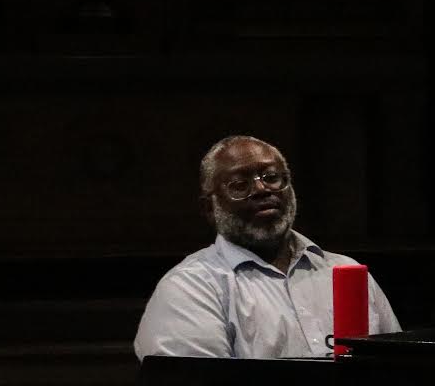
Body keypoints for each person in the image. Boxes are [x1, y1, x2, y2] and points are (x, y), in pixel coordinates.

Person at [135, 135, 400, 358]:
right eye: (240, 184)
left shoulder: (345, 271)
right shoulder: (191, 288)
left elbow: (399, 367)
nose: (262, 189)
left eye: (272, 177)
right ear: (209, 208)